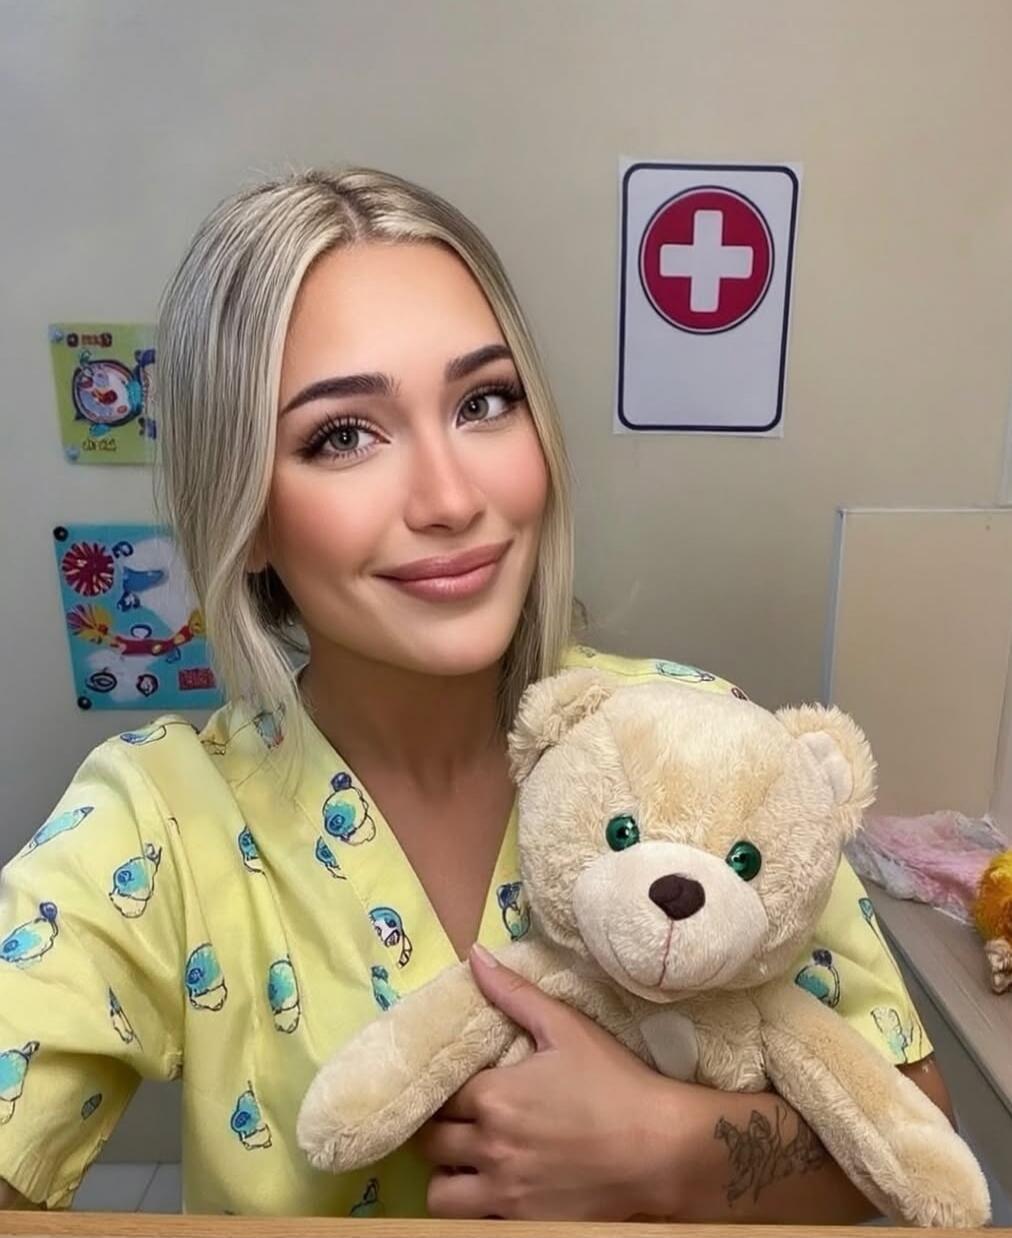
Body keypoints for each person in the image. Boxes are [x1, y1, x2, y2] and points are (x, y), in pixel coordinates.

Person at [0, 167, 952, 1220]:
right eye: (342, 434)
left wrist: (675, 1152)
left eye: (483, 401)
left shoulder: (696, 735)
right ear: (249, 510)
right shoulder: (158, 817)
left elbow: (911, 1122)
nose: (452, 499)